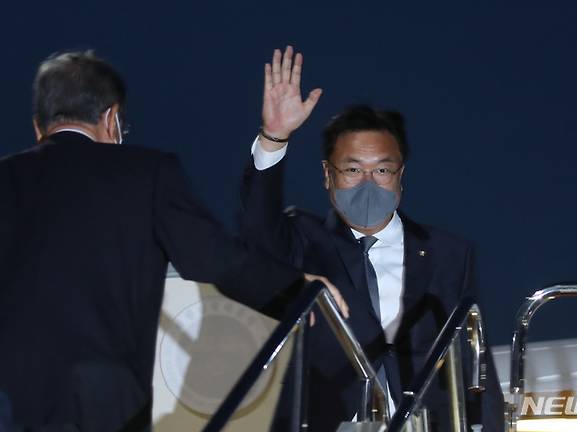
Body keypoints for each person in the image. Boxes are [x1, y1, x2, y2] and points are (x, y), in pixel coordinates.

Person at [0, 51, 348, 432]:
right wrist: (296, 290)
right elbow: (216, 260)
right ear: (112, 118)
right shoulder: (147, 173)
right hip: (108, 402)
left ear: (38, 127)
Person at [240, 46, 505, 431]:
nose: (368, 183)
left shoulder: (449, 252)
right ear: (327, 175)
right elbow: (257, 229)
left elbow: (473, 354)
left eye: (382, 170)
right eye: (352, 169)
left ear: (401, 175)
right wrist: (274, 138)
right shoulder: (304, 239)